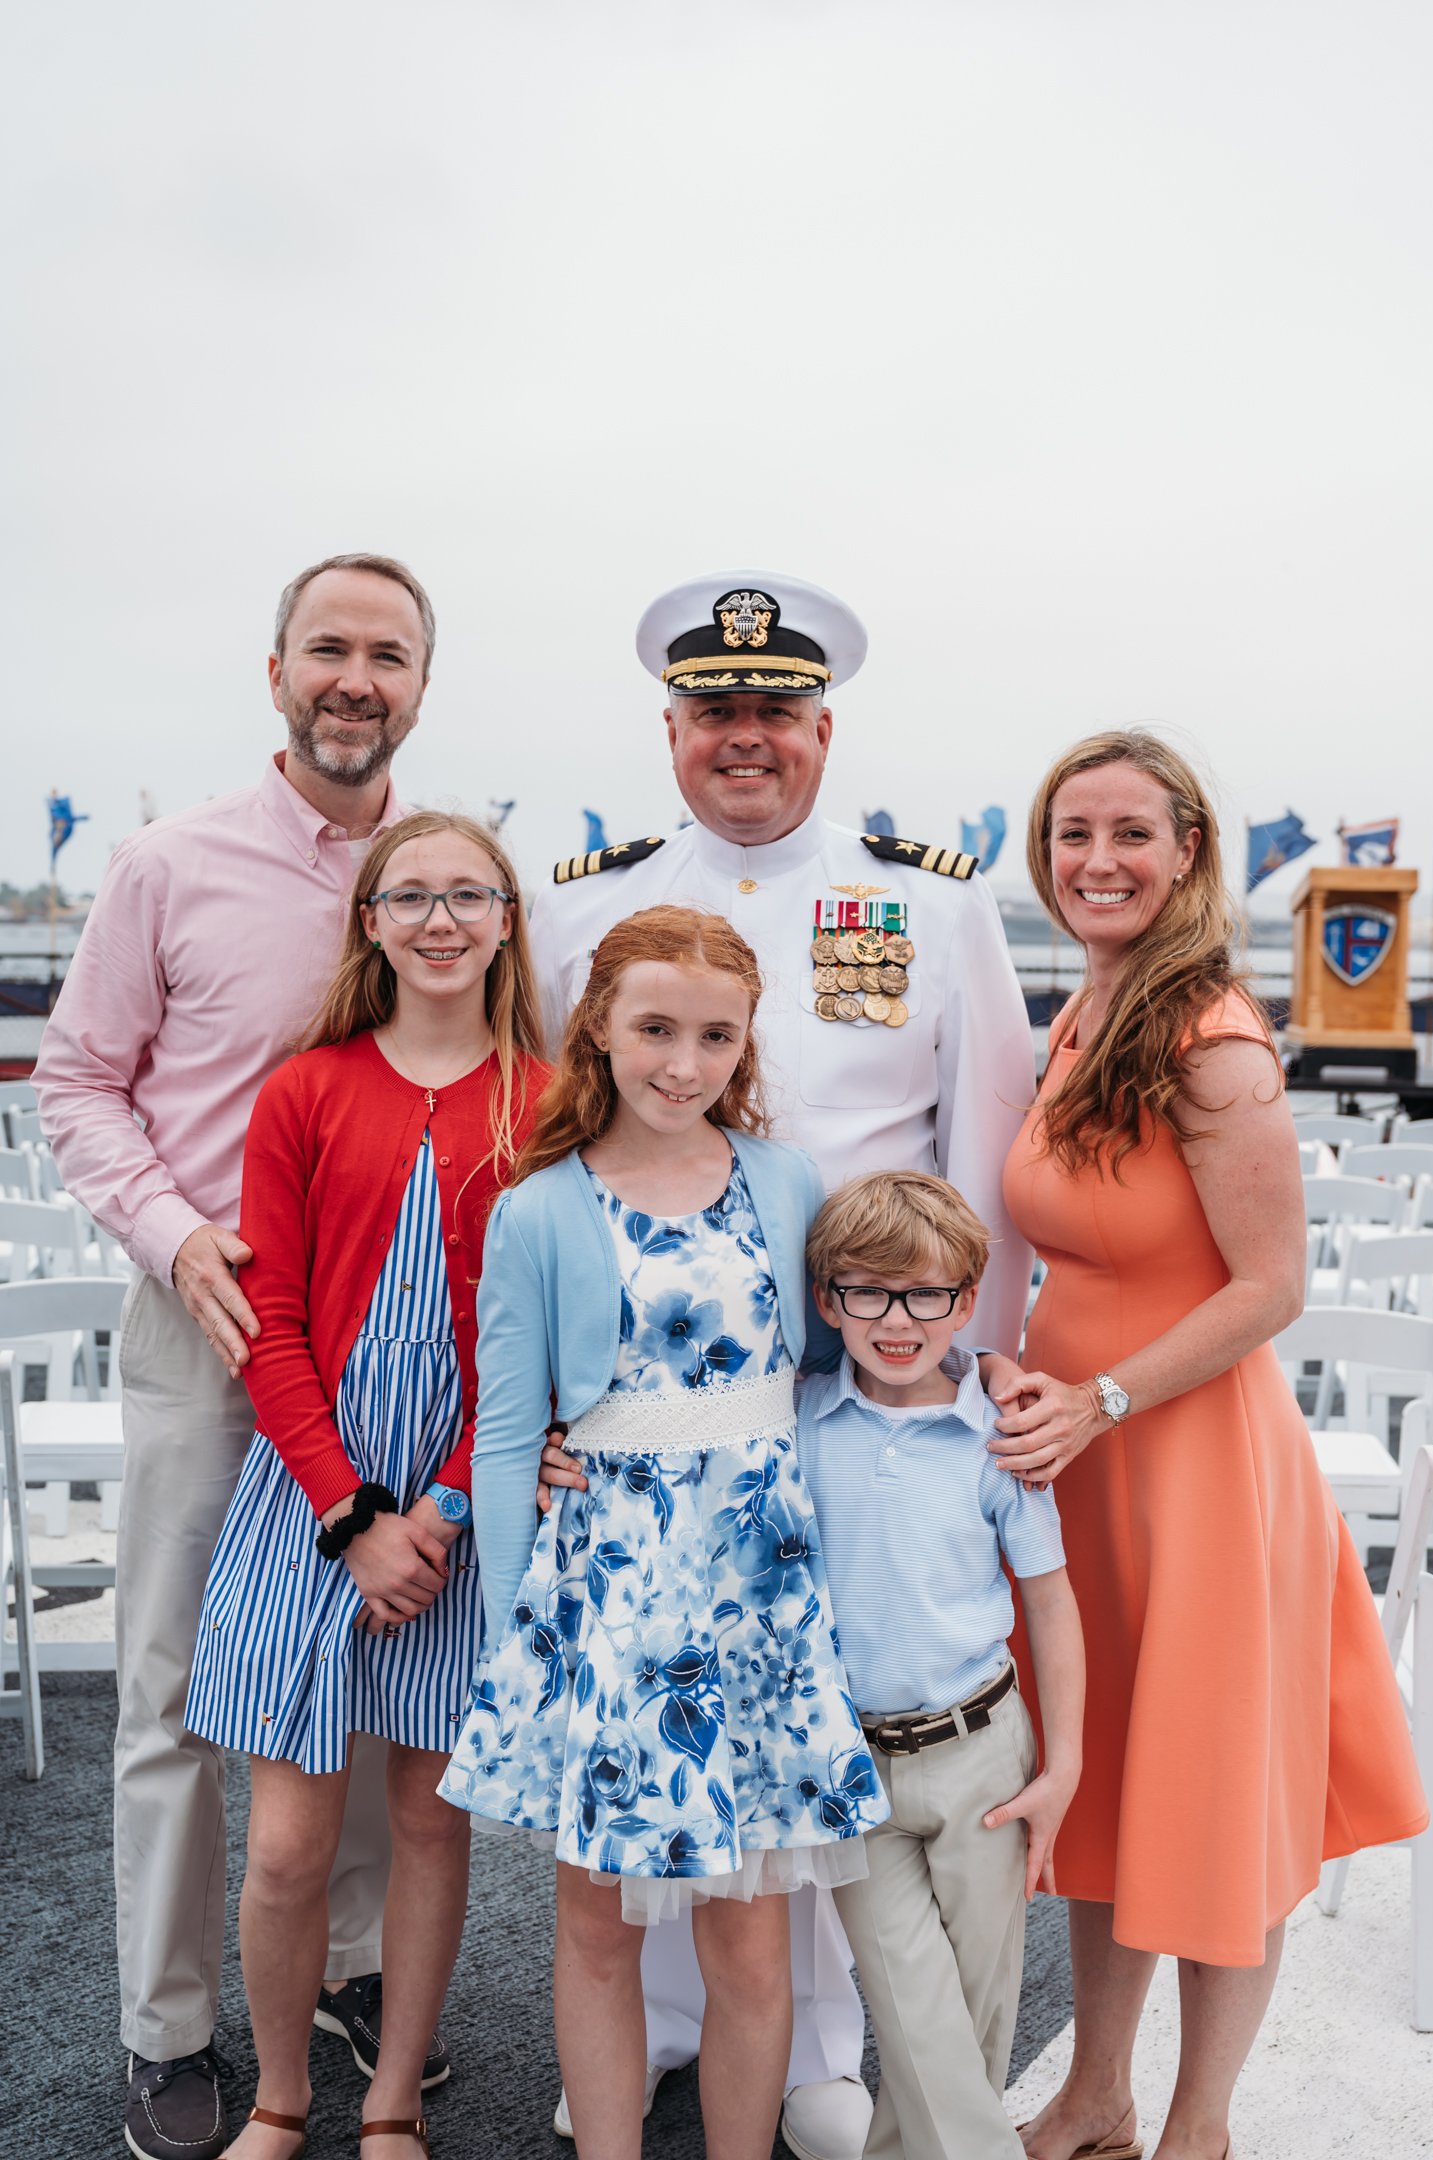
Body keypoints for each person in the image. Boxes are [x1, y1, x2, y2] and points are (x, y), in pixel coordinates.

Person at [528, 571, 1036, 2160]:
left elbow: (986, 1151)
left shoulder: (933, 901)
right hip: (661, 1395)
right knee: (661, 1695)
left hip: (868, 1372)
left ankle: (818, 2036)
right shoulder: (573, 904)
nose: (745, 739)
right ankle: (662, 2023)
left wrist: (978, 1371)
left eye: (774, 714)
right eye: (713, 713)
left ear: (823, 729)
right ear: (671, 728)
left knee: (827, 1703)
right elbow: (548, 1138)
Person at [33, 556, 447, 2160]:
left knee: (357, 1662)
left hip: (384, 1347)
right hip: (210, 1318)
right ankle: (169, 2028)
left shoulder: (446, 872)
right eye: (329, 649)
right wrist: (174, 1232)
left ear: (423, 684)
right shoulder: (167, 863)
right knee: (176, 1686)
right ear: (276, 667)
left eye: (389, 656)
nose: (357, 678)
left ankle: (345, 1971)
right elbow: (78, 1084)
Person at [991, 731, 1428, 2160]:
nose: (1095, 862)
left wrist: (1106, 1399)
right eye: (1070, 835)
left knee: (1215, 1797)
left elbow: (1269, 1287)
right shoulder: (1086, 1007)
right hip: (1078, 1460)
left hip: (1186, 1465)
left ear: (1187, 851)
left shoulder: (1212, 1037)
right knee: (1111, 1788)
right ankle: (1094, 2093)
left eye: (1128, 834)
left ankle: (1198, 2127)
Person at [440, 905, 888, 2160]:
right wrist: (518, 1634)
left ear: (744, 1047)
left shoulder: (786, 1181)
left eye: (711, 1037)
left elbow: (820, 1364)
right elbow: (507, 1434)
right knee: (597, 1919)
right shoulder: (538, 1211)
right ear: (598, 1029)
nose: (680, 1064)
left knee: (751, 1923)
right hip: (613, 1592)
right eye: (653, 1030)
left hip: (755, 1584)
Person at [181, 810, 547, 2159]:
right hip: (310, 1500)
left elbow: (542, 1348)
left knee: (427, 1826)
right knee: (284, 1844)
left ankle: (391, 2101)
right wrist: (350, 1515)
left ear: (508, 919)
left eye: (469, 895)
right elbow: (270, 1323)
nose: (441, 919)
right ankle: (283, 2096)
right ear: (371, 921)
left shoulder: (552, 1100)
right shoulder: (307, 1091)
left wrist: (443, 1511)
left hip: (462, 1509)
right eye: (413, 897)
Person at [798, 1171, 1083, 2160]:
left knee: (976, 2012)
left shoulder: (996, 1439)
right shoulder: (797, 1425)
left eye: (924, 1295)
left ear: (966, 1302)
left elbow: (1050, 1601)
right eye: (866, 1292)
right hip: (852, 1764)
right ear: (829, 1300)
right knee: (913, 2005)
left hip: (984, 1755)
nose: (896, 1318)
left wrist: (1063, 1768)